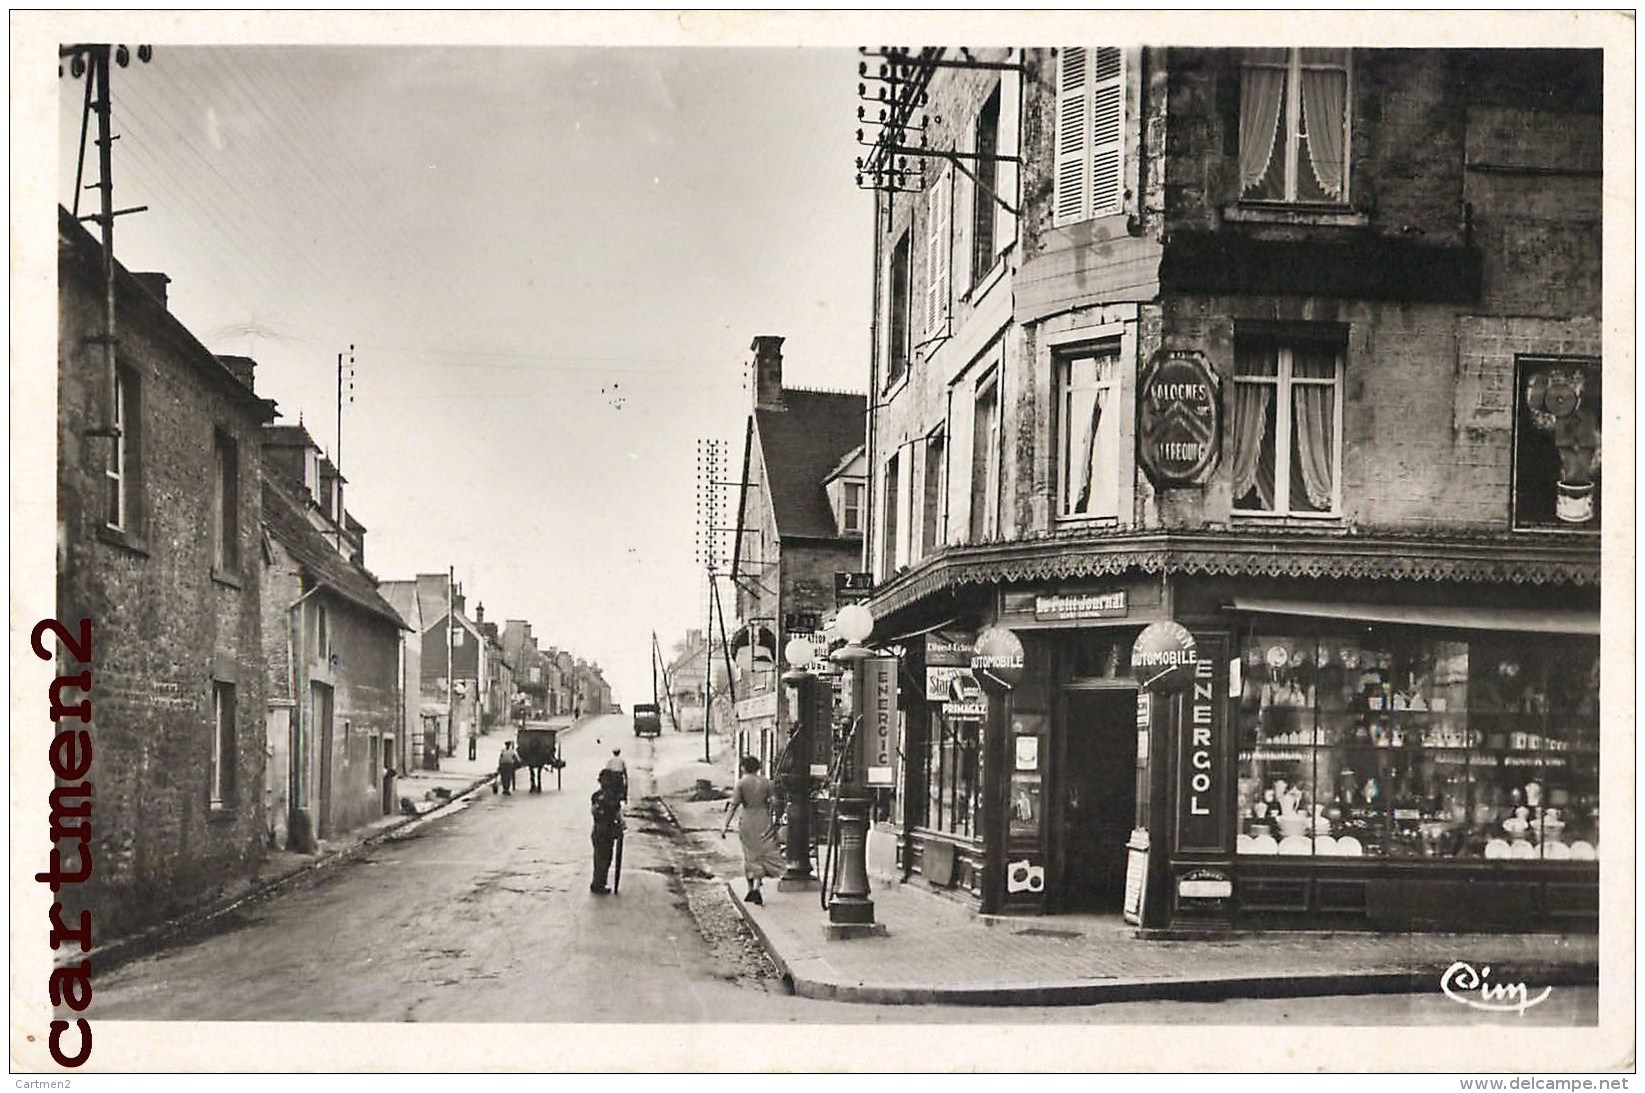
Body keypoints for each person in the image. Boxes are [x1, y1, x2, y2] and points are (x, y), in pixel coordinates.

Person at [721, 755, 786, 905]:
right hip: (764, 819)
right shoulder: (767, 783)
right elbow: (776, 802)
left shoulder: (741, 784)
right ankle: (755, 887)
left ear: (743, 767)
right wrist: (777, 817)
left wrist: (725, 825)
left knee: (750, 855)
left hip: (748, 820)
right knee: (762, 854)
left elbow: (733, 805)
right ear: (758, 767)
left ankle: (752, 888)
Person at [590, 768, 625, 894]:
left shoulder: (596, 796)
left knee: (599, 858)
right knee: (604, 858)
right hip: (605, 832)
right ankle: (599, 884)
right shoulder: (610, 798)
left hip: (598, 831)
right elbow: (615, 814)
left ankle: (597, 882)